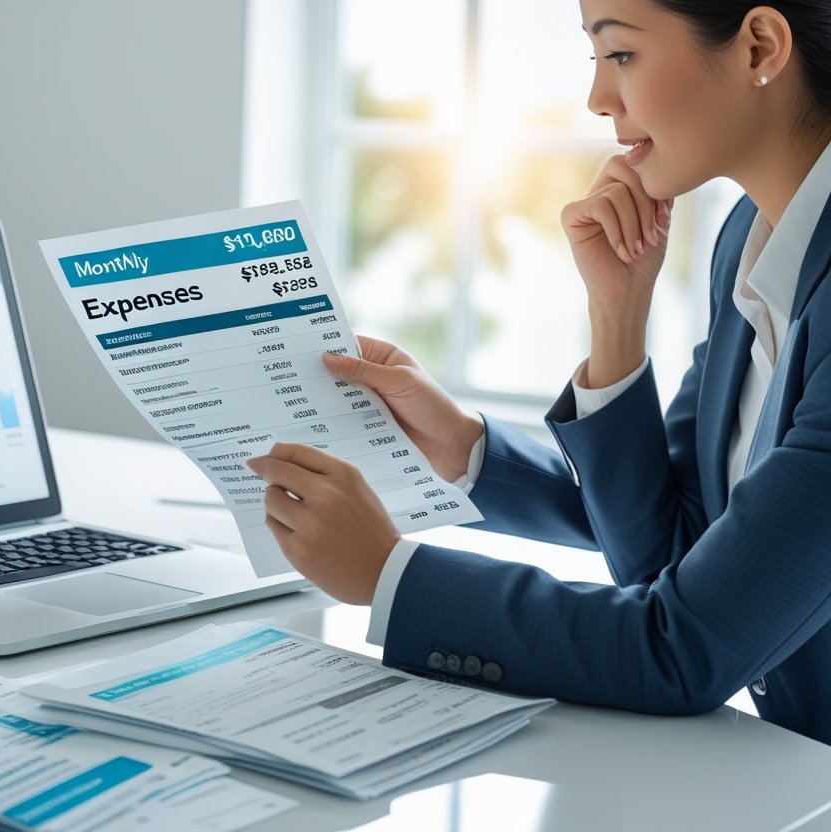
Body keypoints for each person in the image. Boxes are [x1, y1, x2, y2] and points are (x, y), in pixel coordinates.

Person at [245, 0, 831, 744]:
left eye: (619, 54)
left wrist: (387, 574)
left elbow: (682, 647)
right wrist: (613, 319)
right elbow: (673, 545)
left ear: (758, 47)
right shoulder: (752, 239)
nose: (597, 99)